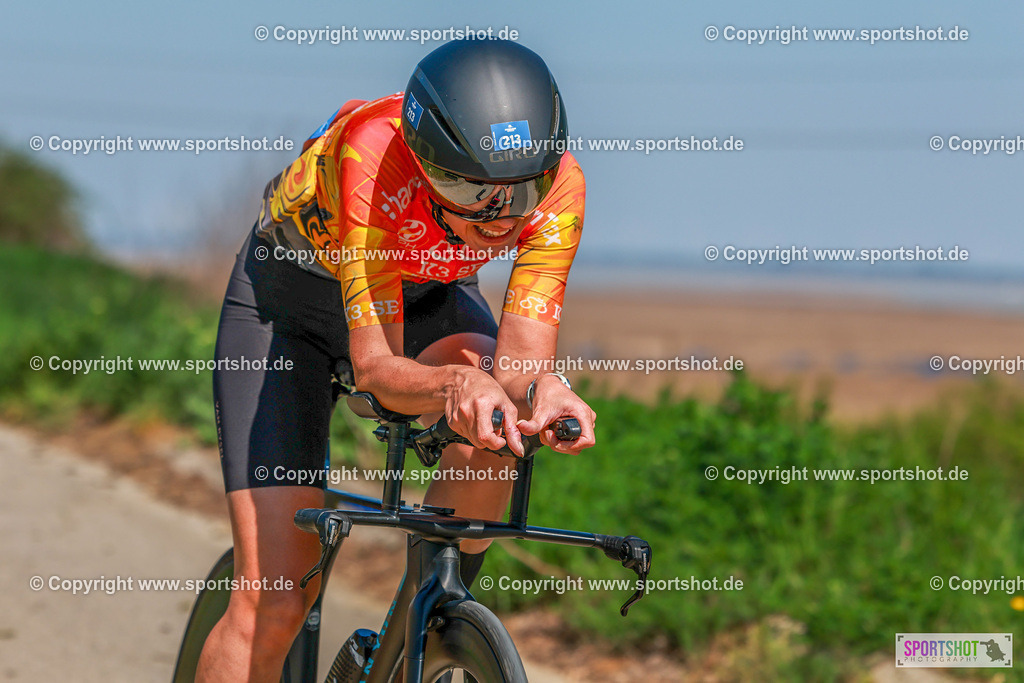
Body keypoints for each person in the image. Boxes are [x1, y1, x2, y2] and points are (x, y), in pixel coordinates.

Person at [196, 38, 596, 682]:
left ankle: (429, 616)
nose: (500, 219)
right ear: (425, 161)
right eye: (471, 190)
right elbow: (376, 368)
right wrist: (459, 382)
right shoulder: (373, 154)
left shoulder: (562, 184)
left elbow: (521, 368)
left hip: (429, 297)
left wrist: (545, 391)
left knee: (498, 421)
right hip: (285, 312)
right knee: (274, 599)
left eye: (522, 193)